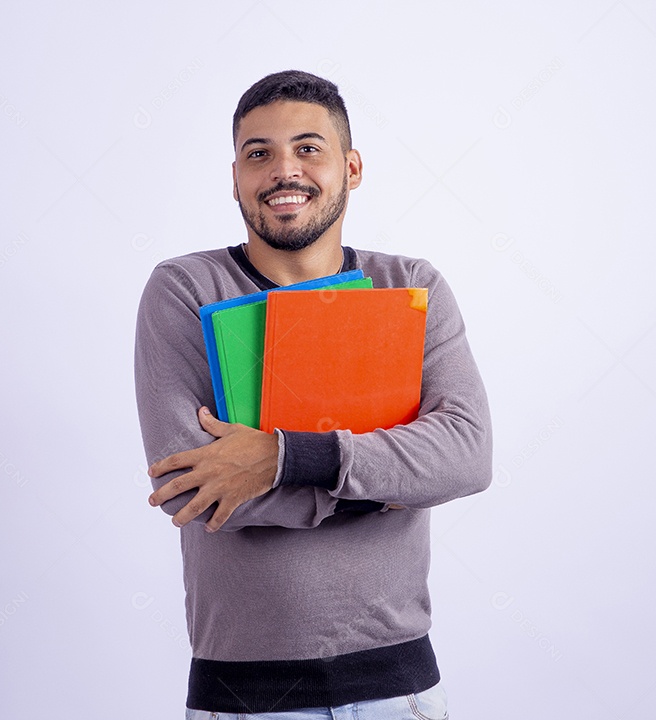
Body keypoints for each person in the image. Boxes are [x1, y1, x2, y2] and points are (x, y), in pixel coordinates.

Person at [134, 70, 492, 718]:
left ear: (351, 167)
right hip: (244, 696)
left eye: (308, 147)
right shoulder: (185, 289)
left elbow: (465, 454)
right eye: (258, 153)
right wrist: (386, 485)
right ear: (236, 175)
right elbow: (193, 488)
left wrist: (281, 459)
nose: (283, 170)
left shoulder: (409, 286)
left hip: (399, 690)